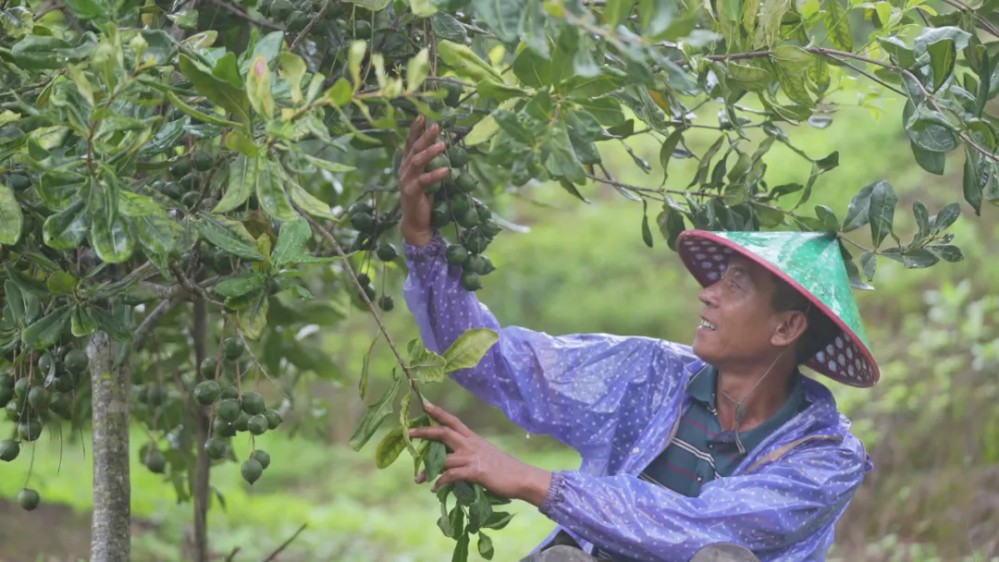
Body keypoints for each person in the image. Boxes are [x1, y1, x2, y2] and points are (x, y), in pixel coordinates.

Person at [399, 116, 877, 562]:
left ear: (786, 328)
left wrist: (534, 481)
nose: (707, 293)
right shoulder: (651, 375)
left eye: (735, 285)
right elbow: (499, 363)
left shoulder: (825, 459)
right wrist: (422, 241)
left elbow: (700, 527)